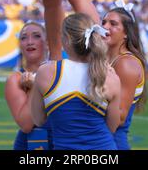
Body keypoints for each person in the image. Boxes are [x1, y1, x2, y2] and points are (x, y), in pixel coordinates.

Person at [30, 13, 121, 150]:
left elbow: (38, 119)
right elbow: (112, 127)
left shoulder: (46, 72)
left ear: (67, 40)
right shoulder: (110, 76)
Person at [102, 0, 147, 150]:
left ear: (126, 33)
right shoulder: (108, 59)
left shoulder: (126, 63)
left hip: (112, 144)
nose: (105, 27)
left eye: (113, 24)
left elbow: (120, 118)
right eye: (104, 22)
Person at [5, 21, 52, 150]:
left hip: (62, 142)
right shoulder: (16, 79)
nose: (29, 41)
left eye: (36, 36)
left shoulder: (60, 70)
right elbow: (26, 124)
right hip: (33, 145)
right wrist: (34, 89)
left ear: (48, 42)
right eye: (24, 38)